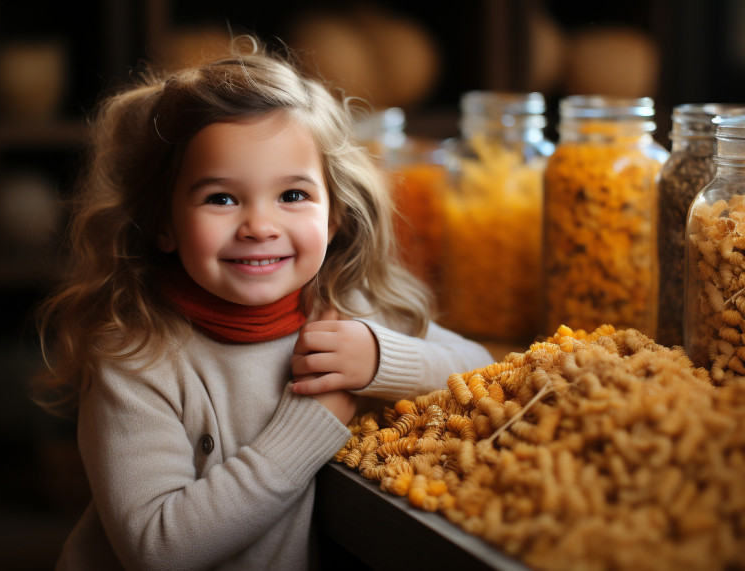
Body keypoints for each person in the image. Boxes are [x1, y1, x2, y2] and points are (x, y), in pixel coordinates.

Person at [34, 37, 494, 570]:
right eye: (221, 198)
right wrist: (311, 425)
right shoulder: (136, 357)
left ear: (335, 215)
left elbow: (483, 368)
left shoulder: (346, 309)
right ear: (163, 223)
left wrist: (380, 358)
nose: (259, 226)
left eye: (293, 195)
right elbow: (156, 549)